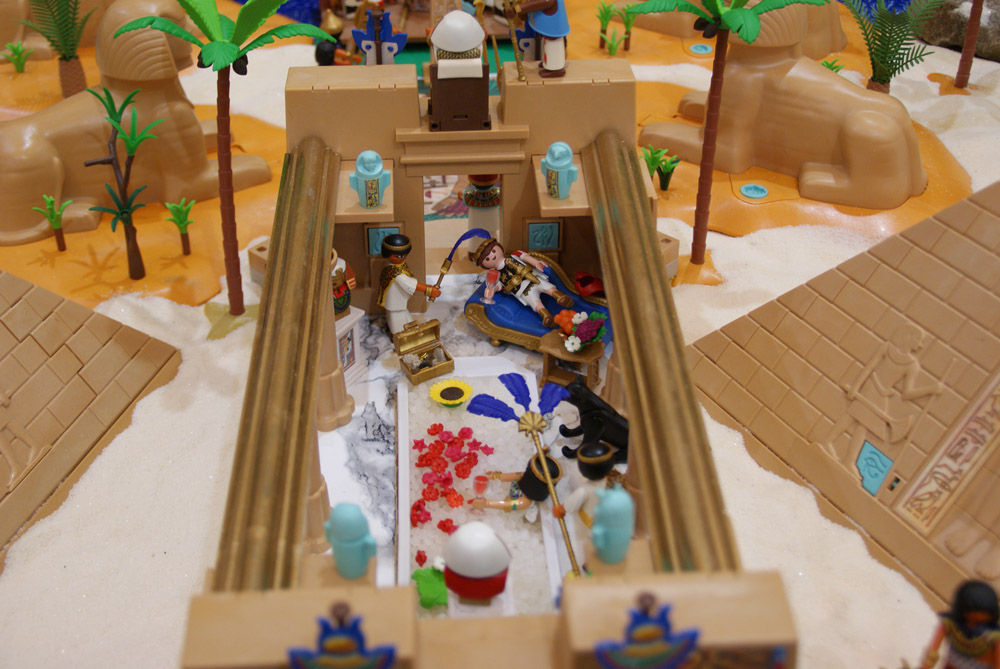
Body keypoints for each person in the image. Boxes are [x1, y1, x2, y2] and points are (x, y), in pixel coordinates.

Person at [471, 237, 573, 328]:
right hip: (523, 291)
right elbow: (499, 285)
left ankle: (560, 297)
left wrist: (536, 263)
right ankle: (546, 316)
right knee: (535, 303)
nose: (492, 256)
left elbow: (526, 257)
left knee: (547, 287)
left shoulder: (514, 255)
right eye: (487, 259)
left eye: (493, 251)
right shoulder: (497, 275)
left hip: (533, 279)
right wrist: (492, 289)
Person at [920, 580, 999, 669]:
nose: (972, 625)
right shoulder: (950, 624)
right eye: (971, 619)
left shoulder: (994, 637)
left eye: (979, 622)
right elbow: (932, 653)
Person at [376, 234, 440, 336]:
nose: (403, 257)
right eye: (398, 256)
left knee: (406, 319)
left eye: (405, 254)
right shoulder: (396, 273)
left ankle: (408, 333)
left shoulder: (396, 266)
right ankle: (400, 338)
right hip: (396, 303)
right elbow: (411, 285)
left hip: (399, 302)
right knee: (397, 325)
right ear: (387, 254)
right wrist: (430, 290)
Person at [505, 0, 569, 77]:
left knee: (553, 46)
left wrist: (517, 9)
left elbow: (544, 2)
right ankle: (548, 63)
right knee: (547, 46)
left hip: (554, 26)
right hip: (548, 26)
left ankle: (556, 69)